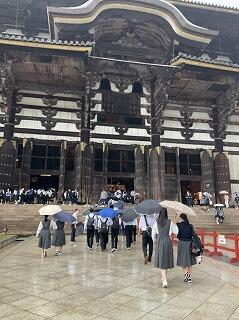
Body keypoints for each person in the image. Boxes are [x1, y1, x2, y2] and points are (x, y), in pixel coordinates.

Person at [152, 208, 178, 288]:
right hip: (167, 240)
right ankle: (164, 278)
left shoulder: (156, 222)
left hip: (160, 240)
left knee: (161, 260)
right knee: (165, 259)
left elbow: (153, 233)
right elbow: (176, 232)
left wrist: (154, 240)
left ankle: (165, 280)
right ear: (166, 213)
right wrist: (175, 222)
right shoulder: (170, 222)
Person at [176, 213, 196, 283]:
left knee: (182, 259)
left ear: (181, 219)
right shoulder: (190, 226)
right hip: (190, 243)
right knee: (189, 261)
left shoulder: (179, 225)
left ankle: (186, 273)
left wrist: (176, 215)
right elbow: (193, 234)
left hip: (182, 243)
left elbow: (174, 223)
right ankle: (189, 277)